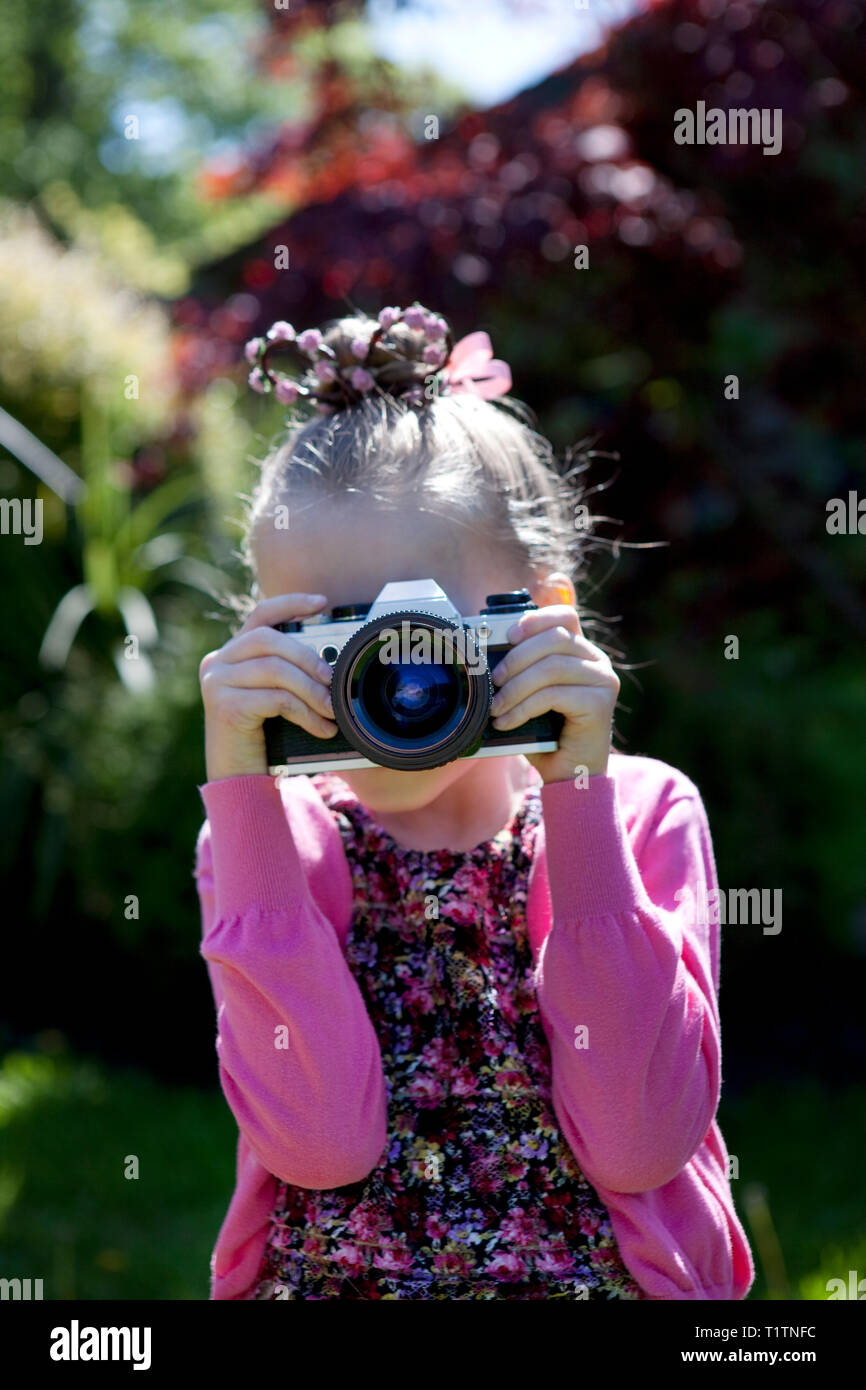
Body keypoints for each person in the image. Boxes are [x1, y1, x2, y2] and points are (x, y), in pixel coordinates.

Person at [193, 302, 754, 1300]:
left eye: (413, 635)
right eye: (332, 638)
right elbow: (316, 1146)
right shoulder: (275, 840)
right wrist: (243, 796)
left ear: (541, 618)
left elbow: (636, 1142)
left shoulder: (639, 813)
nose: (384, 684)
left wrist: (574, 795)